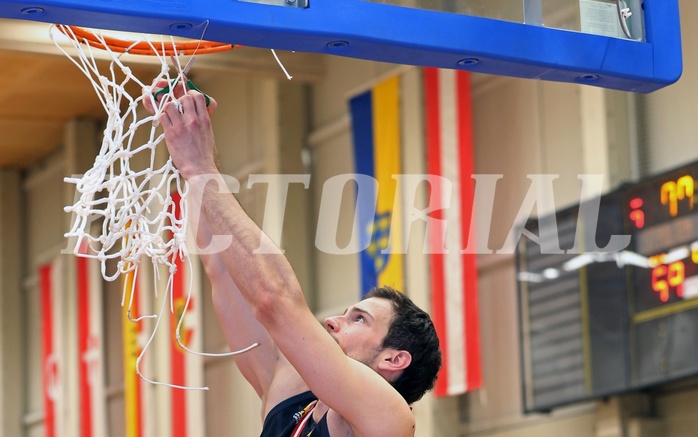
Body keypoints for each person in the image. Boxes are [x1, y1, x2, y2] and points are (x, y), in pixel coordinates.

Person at [144, 80, 442, 436]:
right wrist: (193, 145)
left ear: (394, 359)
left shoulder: (387, 419)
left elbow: (275, 301)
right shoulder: (290, 397)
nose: (332, 321)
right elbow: (222, 265)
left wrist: (199, 169)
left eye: (358, 320)